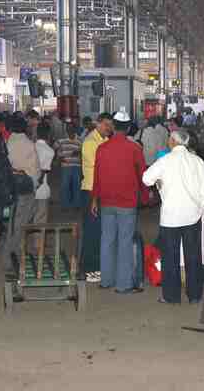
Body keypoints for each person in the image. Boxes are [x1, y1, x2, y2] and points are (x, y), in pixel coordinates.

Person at [142, 129, 204, 304]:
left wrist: (159, 181)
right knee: (193, 256)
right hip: (193, 216)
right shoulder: (198, 161)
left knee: (170, 258)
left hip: (171, 217)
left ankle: (171, 296)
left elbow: (146, 179)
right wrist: (202, 208)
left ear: (172, 141)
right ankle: (195, 295)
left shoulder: (164, 161)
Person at [91, 112, 149, 293]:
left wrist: (94, 199)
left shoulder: (102, 149)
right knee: (125, 241)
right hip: (127, 203)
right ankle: (123, 284)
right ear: (129, 128)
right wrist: (145, 196)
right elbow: (142, 176)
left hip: (106, 201)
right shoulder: (134, 149)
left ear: (114, 127)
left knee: (107, 240)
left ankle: (106, 280)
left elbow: (96, 177)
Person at [4, 115, 40, 286]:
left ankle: (11, 259)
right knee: (20, 225)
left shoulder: (8, 143)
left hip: (11, 189)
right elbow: (36, 171)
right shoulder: (28, 144)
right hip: (26, 189)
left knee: (12, 224)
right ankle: (13, 260)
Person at [81, 112, 113, 283]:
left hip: (103, 192)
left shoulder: (106, 141)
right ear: (98, 124)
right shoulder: (89, 142)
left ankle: (98, 266)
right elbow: (100, 166)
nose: (109, 128)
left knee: (101, 231)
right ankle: (88, 269)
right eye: (106, 125)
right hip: (91, 192)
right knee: (92, 232)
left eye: (111, 125)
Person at [55, 123, 84, 208]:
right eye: (68, 128)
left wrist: (80, 152)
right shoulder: (61, 140)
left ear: (75, 129)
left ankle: (76, 204)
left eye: (71, 128)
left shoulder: (80, 140)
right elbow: (53, 149)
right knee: (65, 186)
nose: (69, 130)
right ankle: (65, 205)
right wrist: (58, 158)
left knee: (77, 186)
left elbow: (84, 152)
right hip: (65, 166)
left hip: (77, 166)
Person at [34, 123, 55, 230]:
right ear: (49, 134)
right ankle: (38, 244)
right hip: (42, 188)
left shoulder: (31, 146)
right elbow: (45, 171)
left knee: (30, 217)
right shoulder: (49, 151)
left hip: (28, 188)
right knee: (41, 218)